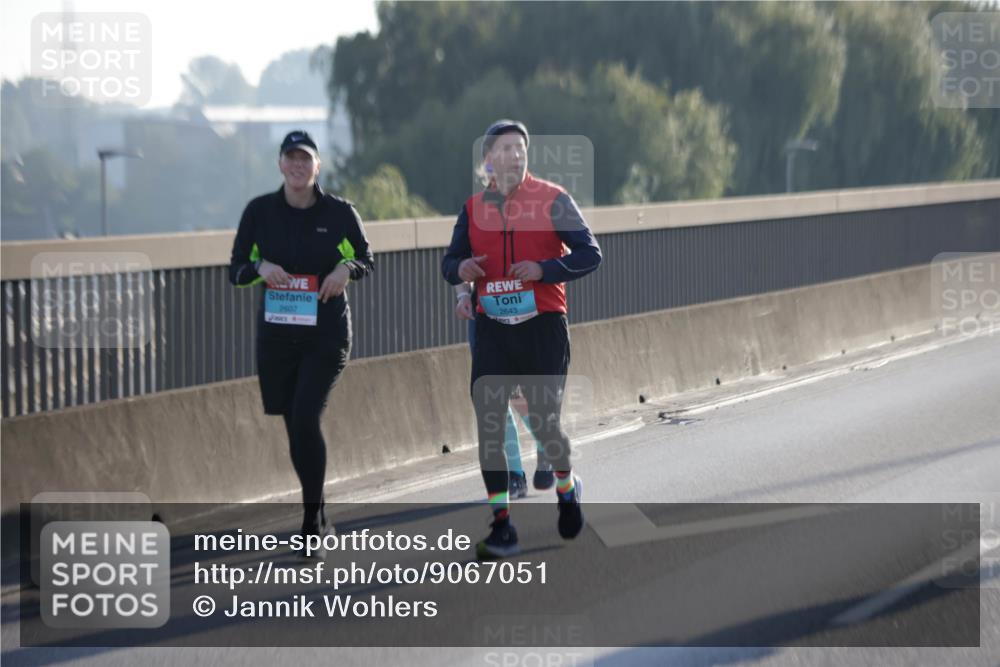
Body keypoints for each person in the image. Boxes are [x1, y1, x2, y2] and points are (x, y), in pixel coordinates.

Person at [442, 120, 602, 559]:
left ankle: (567, 490)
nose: (515, 155)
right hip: (493, 328)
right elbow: (449, 261)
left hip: (542, 326)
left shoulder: (553, 199)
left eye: (520, 148)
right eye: (505, 149)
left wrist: (544, 270)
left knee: (545, 422)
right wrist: (463, 270)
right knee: (490, 425)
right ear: (488, 159)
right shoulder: (473, 209)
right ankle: (502, 527)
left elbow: (591, 253)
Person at [229, 130, 374, 559]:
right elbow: (235, 268)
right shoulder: (260, 213)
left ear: (317, 166)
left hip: (325, 335)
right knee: (294, 426)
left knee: (307, 416)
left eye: (305, 159)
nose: (297, 166)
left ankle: (312, 523)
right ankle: (321, 513)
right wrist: (261, 265)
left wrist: (345, 269)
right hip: (278, 339)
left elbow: (367, 258)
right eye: (290, 158)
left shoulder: (340, 212)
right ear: (280, 165)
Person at [454, 282, 554, 498]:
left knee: (518, 395)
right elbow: (458, 262)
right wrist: (462, 295)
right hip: (482, 312)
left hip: (518, 309)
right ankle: (516, 476)